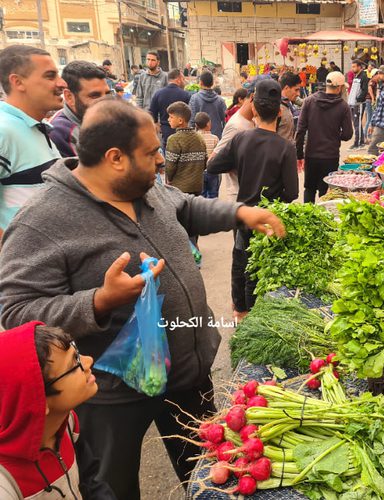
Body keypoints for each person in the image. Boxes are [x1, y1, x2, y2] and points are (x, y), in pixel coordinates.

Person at [0, 98, 285, 500]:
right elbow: (16, 312)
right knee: (112, 487)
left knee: (211, 472)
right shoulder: (40, 222)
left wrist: (240, 214)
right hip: (113, 392)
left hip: (187, 374)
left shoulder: (146, 188)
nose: (161, 162)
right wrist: (98, 300)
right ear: (116, 158)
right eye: (152, 153)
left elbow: (186, 206)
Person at [207, 79, 298, 318]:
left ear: (254, 109)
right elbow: (292, 193)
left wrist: (239, 163)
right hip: (270, 219)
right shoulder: (286, 148)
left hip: (245, 216)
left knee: (241, 263)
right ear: (279, 112)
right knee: (266, 270)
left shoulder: (241, 139)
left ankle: (241, 311)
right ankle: (262, 315)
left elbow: (213, 166)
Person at [0, 322, 116, 499]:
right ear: (37, 400)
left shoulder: (66, 422)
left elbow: (90, 480)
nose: (88, 360)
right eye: (73, 364)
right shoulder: (6, 486)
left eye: (76, 352)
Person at [0, 45, 66, 239]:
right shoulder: (4, 131)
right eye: (50, 76)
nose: (61, 83)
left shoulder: (37, 126)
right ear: (18, 82)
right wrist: (14, 258)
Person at [296, 71, 353, 203]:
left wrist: (299, 155)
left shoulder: (309, 101)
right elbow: (347, 135)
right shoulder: (343, 106)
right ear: (339, 88)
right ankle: (323, 220)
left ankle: (307, 219)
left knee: (309, 189)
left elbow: (300, 131)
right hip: (331, 156)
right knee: (325, 191)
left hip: (311, 155)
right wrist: (334, 134)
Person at [49, 60, 112, 158]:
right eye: (95, 96)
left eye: (107, 94)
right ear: (69, 97)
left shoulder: (99, 119)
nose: (105, 101)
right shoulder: (61, 132)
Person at [189, 71, 226, 198]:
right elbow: (224, 120)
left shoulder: (194, 98)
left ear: (200, 83)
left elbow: (192, 120)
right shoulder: (220, 100)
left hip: (198, 141)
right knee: (214, 179)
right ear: (212, 83)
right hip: (216, 144)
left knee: (201, 185)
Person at [164, 102, 207, 196]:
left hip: (179, 189)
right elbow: (204, 163)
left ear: (180, 120)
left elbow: (170, 166)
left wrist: (169, 179)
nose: (168, 119)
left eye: (171, 117)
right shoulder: (199, 138)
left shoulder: (174, 139)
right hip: (197, 186)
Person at [148, 68, 191, 149]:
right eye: (183, 79)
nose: (184, 81)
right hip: (182, 132)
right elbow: (190, 114)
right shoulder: (185, 95)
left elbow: (152, 112)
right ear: (178, 79)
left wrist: (157, 124)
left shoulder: (158, 94)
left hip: (165, 131)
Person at [348, 59, 370, 149]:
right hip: (354, 103)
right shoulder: (356, 76)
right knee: (356, 123)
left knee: (358, 123)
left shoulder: (363, 76)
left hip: (359, 103)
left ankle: (358, 143)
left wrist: (358, 99)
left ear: (359, 67)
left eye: (354, 66)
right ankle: (359, 141)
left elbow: (364, 90)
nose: (352, 68)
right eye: (352, 66)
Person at [278, 71, 302, 143]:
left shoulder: (288, 103)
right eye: (296, 90)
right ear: (286, 88)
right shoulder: (276, 108)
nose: (298, 94)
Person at [363, 67, 378, 143]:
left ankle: (366, 137)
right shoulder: (372, 81)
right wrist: (372, 98)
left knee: (370, 118)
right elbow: (369, 89)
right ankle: (365, 137)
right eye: (377, 75)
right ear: (374, 75)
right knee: (370, 119)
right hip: (369, 101)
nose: (378, 76)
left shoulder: (374, 81)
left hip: (369, 101)